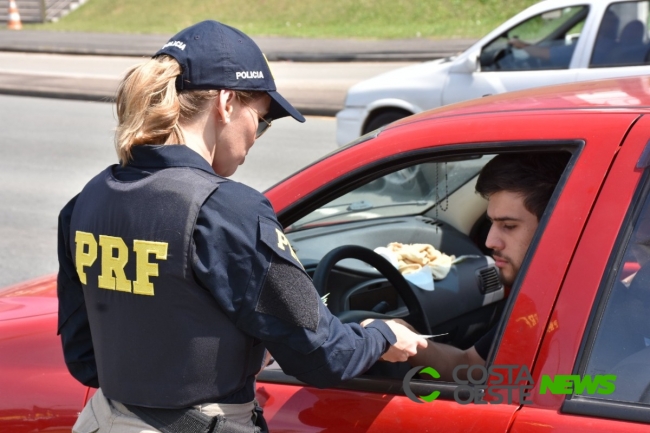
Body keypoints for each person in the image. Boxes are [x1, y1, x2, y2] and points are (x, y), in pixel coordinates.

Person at [56, 20, 426, 433]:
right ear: (227, 103)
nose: (256, 136)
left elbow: (86, 359)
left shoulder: (86, 201)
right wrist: (382, 334)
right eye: (262, 120)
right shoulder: (229, 210)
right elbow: (324, 356)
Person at [403, 152, 570, 381]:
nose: (490, 241)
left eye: (509, 226)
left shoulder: (593, 307)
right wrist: (408, 338)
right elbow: (471, 365)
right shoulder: (541, 297)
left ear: (556, 226)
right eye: (491, 223)